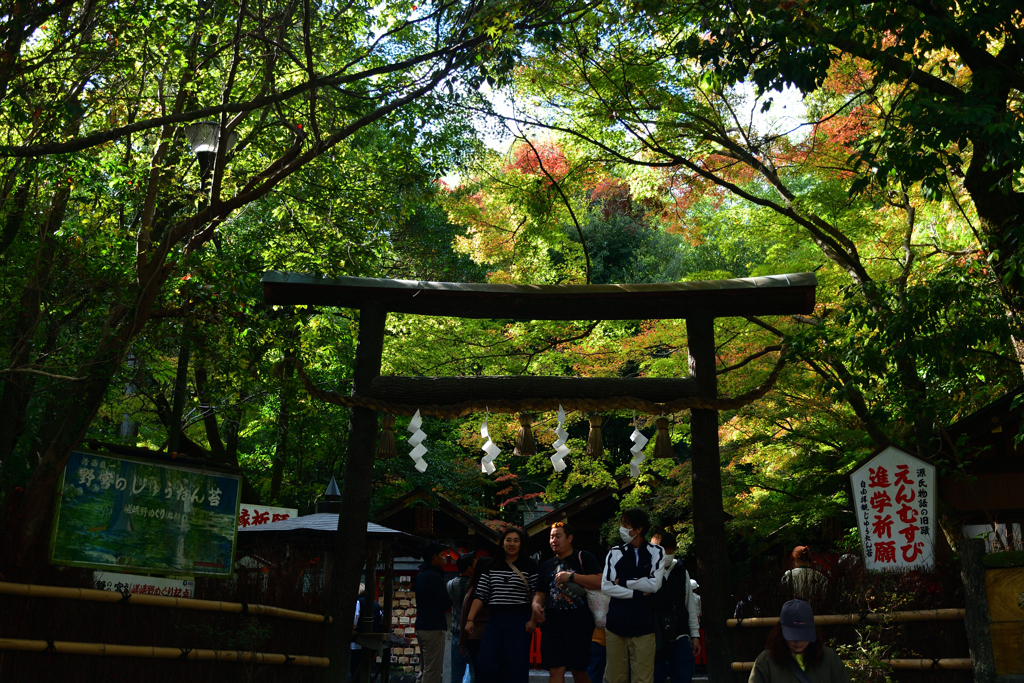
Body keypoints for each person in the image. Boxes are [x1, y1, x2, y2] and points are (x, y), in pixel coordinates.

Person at [602, 508, 666, 683]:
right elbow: (606, 586)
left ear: (639, 529)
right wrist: (638, 593)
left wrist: (622, 581)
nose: (622, 529)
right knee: (614, 678)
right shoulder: (615, 552)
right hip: (615, 625)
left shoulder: (657, 552)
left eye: (626, 525)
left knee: (643, 678)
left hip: (644, 625)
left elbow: (654, 585)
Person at [466, 527, 539, 683]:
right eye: (508, 540)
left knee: (516, 665)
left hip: (519, 620)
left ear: (521, 544)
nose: (512, 544)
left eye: (516, 541)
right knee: (486, 661)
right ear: (502, 543)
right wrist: (470, 619)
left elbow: (536, 596)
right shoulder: (491, 566)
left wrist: (533, 620)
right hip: (496, 620)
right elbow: (481, 595)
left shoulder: (530, 565)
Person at [532, 521, 602, 683]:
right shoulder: (546, 566)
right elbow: (540, 593)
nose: (553, 540)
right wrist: (536, 604)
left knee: (579, 671)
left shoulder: (584, 557)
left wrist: (571, 577)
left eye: (558, 536)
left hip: (579, 624)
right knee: (555, 671)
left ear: (569, 538)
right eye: (551, 537)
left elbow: (600, 581)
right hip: (553, 625)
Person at [749, 599, 850, 682]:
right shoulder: (765, 663)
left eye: (804, 635)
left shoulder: (829, 659)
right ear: (781, 632)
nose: (799, 641)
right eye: (793, 636)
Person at [652, 532, 700, 683]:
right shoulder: (647, 571)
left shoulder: (681, 571)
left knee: (683, 676)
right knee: (654, 676)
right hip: (654, 635)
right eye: (664, 550)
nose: (668, 554)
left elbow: (689, 605)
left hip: (680, 634)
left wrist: (695, 635)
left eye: (671, 550)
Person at [416, 542, 453, 683]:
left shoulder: (421, 574)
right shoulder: (434, 576)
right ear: (434, 557)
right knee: (433, 670)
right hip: (433, 628)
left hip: (422, 626)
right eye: (442, 555)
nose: (444, 558)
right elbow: (445, 603)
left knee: (425, 668)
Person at [448, 553, 478, 683]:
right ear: (469, 568)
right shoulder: (475, 585)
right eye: (475, 564)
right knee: (474, 671)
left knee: (456, 672)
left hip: (456, 632)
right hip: (472, 633)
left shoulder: (450, 584)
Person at [459, 558, 490, 676]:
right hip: (491, 635)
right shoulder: (493, 589)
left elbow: (464, 617)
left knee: (478, 673)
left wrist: (462, 642)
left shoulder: (471, 590)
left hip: (473, 636)